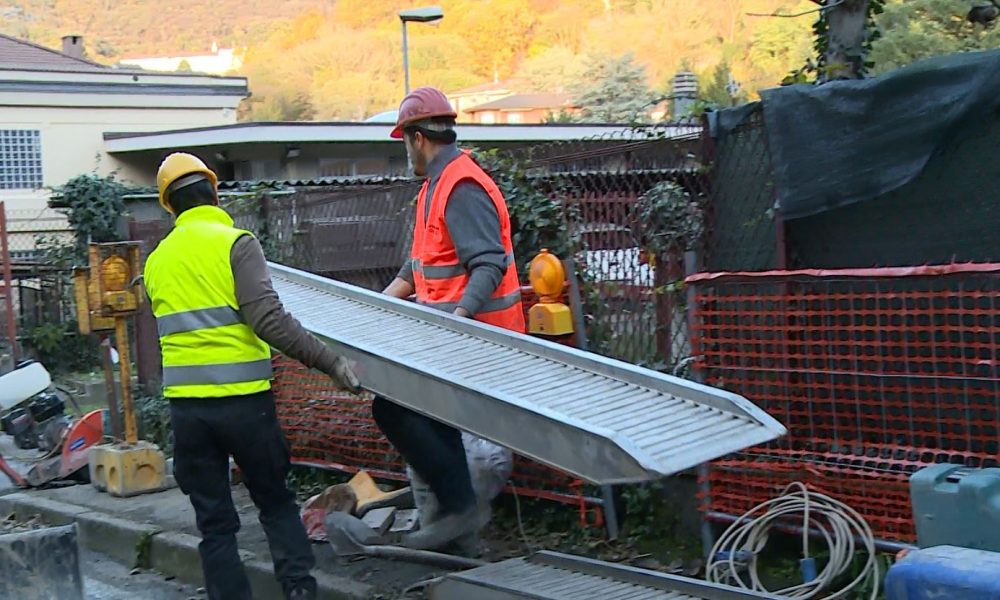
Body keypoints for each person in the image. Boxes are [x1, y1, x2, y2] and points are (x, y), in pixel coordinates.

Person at [143, 153, 360, 600]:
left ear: (170, 206)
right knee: (275, 500)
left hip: (187, 412)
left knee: (214, 522)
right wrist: (330, 363)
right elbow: (268, 320)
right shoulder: (235, 243)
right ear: (213, 190)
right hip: (244, 405)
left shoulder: (157, 261)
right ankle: (298, 589)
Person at [377, 86, 526, 552]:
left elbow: (488, 262)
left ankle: (461, 513)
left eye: (404, 140)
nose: (406, 150)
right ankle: (456, 532)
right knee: (409, 414)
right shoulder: (434, 190)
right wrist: (374, 308)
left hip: (478, 346)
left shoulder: (460, 186)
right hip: (449, 346)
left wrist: (458, 319)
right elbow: (416, 267)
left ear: (418, 138)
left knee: (396, 410)